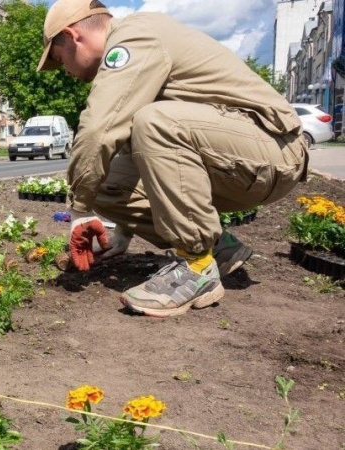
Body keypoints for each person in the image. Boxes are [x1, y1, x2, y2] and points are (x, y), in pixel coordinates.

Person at [38, 0, 308, 317]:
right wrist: (122, 231)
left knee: (156, 122)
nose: (67, 73)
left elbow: (99, 129)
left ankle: (197, 268)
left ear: (72, 36)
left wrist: (79, 211)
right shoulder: (135, 52)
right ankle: (219, 250)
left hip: (273, 151)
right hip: (238, 157)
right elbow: (126, 148)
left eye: (60, 59)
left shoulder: (134, 39)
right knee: (105, 176)